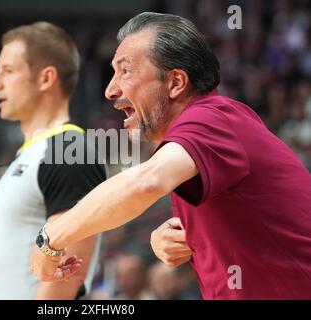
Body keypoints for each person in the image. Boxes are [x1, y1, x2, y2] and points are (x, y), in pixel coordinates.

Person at [30, 12, 311, 299]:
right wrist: (185, 235)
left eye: (125, 71)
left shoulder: (211, 118)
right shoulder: (201, 137)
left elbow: (145, 183)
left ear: (176, 82)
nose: (110, 90)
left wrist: (51, 235)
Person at [0, 22, 107, 299]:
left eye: (8, 71)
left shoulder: (69, 148)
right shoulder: (33, 152)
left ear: (46, 78)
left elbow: (69, 275)